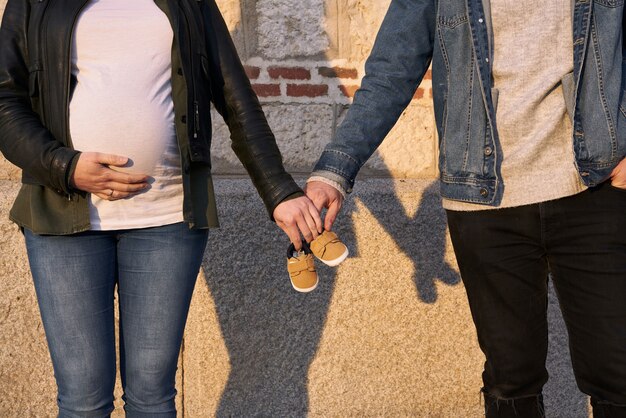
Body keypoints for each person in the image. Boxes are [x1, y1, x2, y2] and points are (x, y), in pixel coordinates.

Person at [0, 0, 322, 416]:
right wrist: (65, 167)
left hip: (167, 219)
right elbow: (5, 100)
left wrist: (279, 191)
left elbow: (233, 95)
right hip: (63, 214)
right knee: (82, 398)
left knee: (153, 396)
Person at [305, 0, 626, 416]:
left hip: (594, 187)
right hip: (484, 197)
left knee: (618, 372)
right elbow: (391, 72)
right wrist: (335, 171)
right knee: (511, 380)